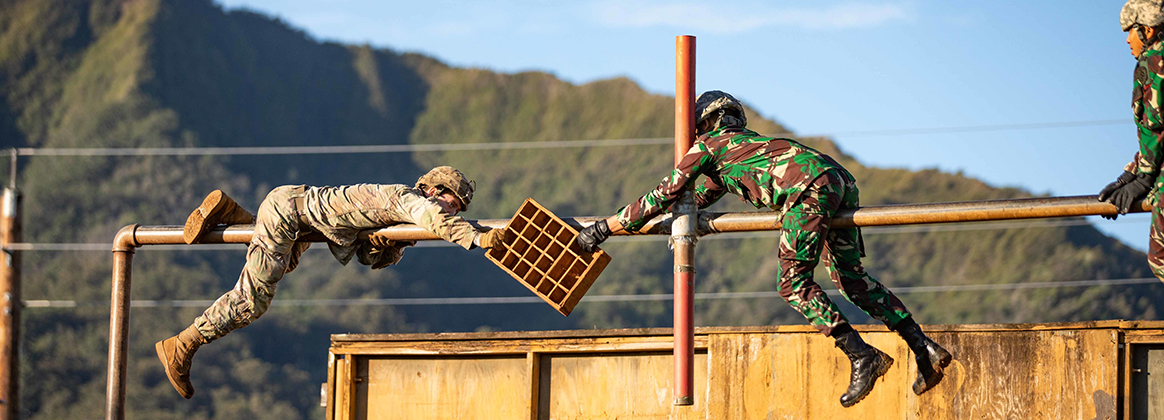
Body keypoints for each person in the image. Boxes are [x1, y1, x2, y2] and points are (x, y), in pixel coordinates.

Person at [576, 91, 951, 407]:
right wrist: (680, 217)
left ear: (705, 125)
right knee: (851, 280)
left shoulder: (708, 146)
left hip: (805, 189)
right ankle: (923, 349)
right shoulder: (745, 149)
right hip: (835, 179)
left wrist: (605, 228)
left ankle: (861, 355)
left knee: (792, 283)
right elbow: (697, 197)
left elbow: (665, 193)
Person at [156, 166, 509, 399]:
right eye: (454, 203)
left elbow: (366, 256)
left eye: (459, 211)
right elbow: (434, 217)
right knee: (253, 300)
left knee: (285, 264)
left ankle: (234, 215)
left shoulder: (400, 209)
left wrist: (392, 245)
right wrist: (479, 238)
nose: (455, 213)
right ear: (433, 190)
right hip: (289, 214)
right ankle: (182, 344)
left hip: (298, 219)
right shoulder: (410, 201)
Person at [1101, 0, 1164, 282]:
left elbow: (1157, 125)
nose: (1127, 40)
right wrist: (1131, 173)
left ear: (1147, 31)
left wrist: (1144, 177)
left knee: (1161, 258)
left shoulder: (1155, 61)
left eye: (1130, 31)